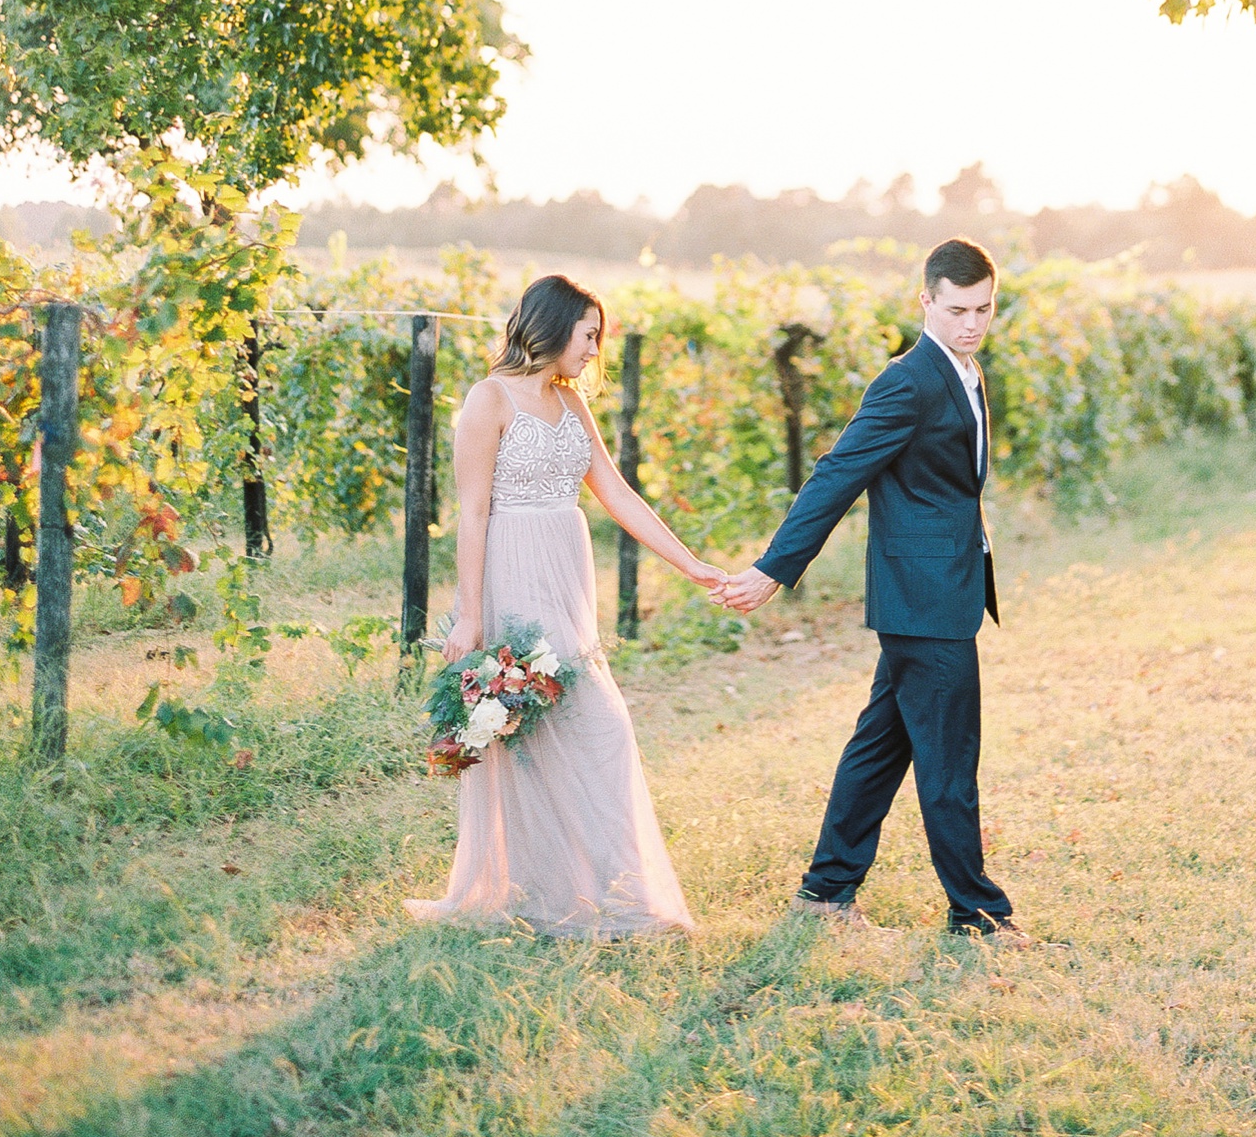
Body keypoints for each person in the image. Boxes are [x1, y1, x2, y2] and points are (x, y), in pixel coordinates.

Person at [713, 237, 1029, 945]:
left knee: (881, 745)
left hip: (941, 587)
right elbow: (837, 472)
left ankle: (826, 889)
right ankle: (977, 913)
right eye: (957, 309)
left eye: (984, 309)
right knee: (950, 760)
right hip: (923, 598)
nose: (972, 323)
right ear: (925, 301)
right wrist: (773, 567)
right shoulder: (908, 380)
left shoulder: (967, 370)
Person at [406, 274, 722, 937]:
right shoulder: (489, 399)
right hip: (513, 571)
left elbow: (617, 492)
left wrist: (690, 563)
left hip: (566, 575)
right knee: (564, 723)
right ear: (552, 328)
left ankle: (593, 886)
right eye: (589, 334)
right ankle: (576, 889)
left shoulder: (573, 403)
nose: (595, 349)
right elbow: (470, 512)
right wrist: (468, 614)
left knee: (584, 722)